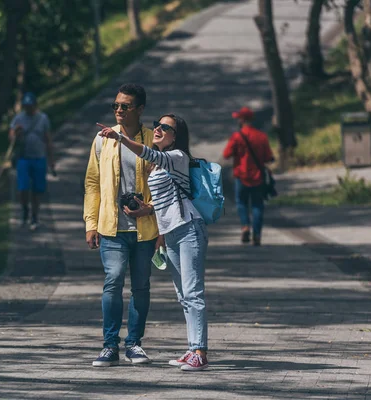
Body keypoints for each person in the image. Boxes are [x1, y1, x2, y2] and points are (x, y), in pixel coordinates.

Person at [98, 113, 210, 371]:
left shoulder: (177, 157)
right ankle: (192, 348)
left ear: (175, 136)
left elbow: (147, 153)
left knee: (193, 293)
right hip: (171, 231)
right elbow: (166, 200)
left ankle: (200, 352)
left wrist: (119, 137)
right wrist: (146, 210)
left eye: (165, 127)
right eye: (157, 125)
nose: (158, 129)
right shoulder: (161, 165)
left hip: (189, 229)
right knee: (183, 295)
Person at [83, 83, 159, 367]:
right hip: (111, 228)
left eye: (124, 106)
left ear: (139, 109)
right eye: (115, 105)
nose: (118, 110)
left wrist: (150, 211)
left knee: (141, 286)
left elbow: (168, 184)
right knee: (113, 281)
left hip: (145, 228)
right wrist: (91, 223)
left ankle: (135, 344)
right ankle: (109, 345)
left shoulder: (153, 140)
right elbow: (92, 183)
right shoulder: (102, 140)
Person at [222, 107, 274, 246]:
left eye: (238, 118)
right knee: (257, 205)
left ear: (242, 120)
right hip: (258, 177)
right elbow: (268, 157)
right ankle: (256, 234)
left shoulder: (237, 136)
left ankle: (245, 225)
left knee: (241, 203)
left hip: (241, 176)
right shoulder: (261, 136)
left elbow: (226, 154)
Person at [9, 92, 55, 231]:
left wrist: (51, 159)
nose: (28, 109)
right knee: (23, 187)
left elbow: (48, 140)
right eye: (26, 106)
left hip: (39, 158)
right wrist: (15, 133)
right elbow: (10, 137)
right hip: (23, 158)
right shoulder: (19, 118)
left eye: (30, 106)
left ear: (35, 105)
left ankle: (35, 216)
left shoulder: (43, 119)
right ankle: (24, 211)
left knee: (37, 189)